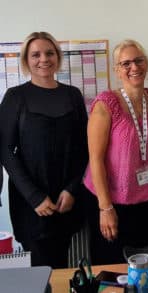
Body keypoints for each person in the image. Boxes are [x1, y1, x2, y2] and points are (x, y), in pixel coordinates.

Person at [0, 32, 88, 268]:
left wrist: (72, 189)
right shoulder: (15, 96)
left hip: (67, 200)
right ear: (26, 60)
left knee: (61, 268)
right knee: (40, 270)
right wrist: (34, 197)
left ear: (57, 57)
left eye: (49, 53)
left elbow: (84, 149)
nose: (43, 59)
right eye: (35, 54)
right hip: (32, 204)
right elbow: (6, 151)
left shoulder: (72, 95)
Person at [84, 39, 148, 264]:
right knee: (112, 268)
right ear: (117, 71)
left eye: (138, 61)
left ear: (146, 64)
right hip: (111, 200)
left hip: (147, 198)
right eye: (126, 63)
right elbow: (95, 160)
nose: (134, 68)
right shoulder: (105, 104)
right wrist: (105, 207)